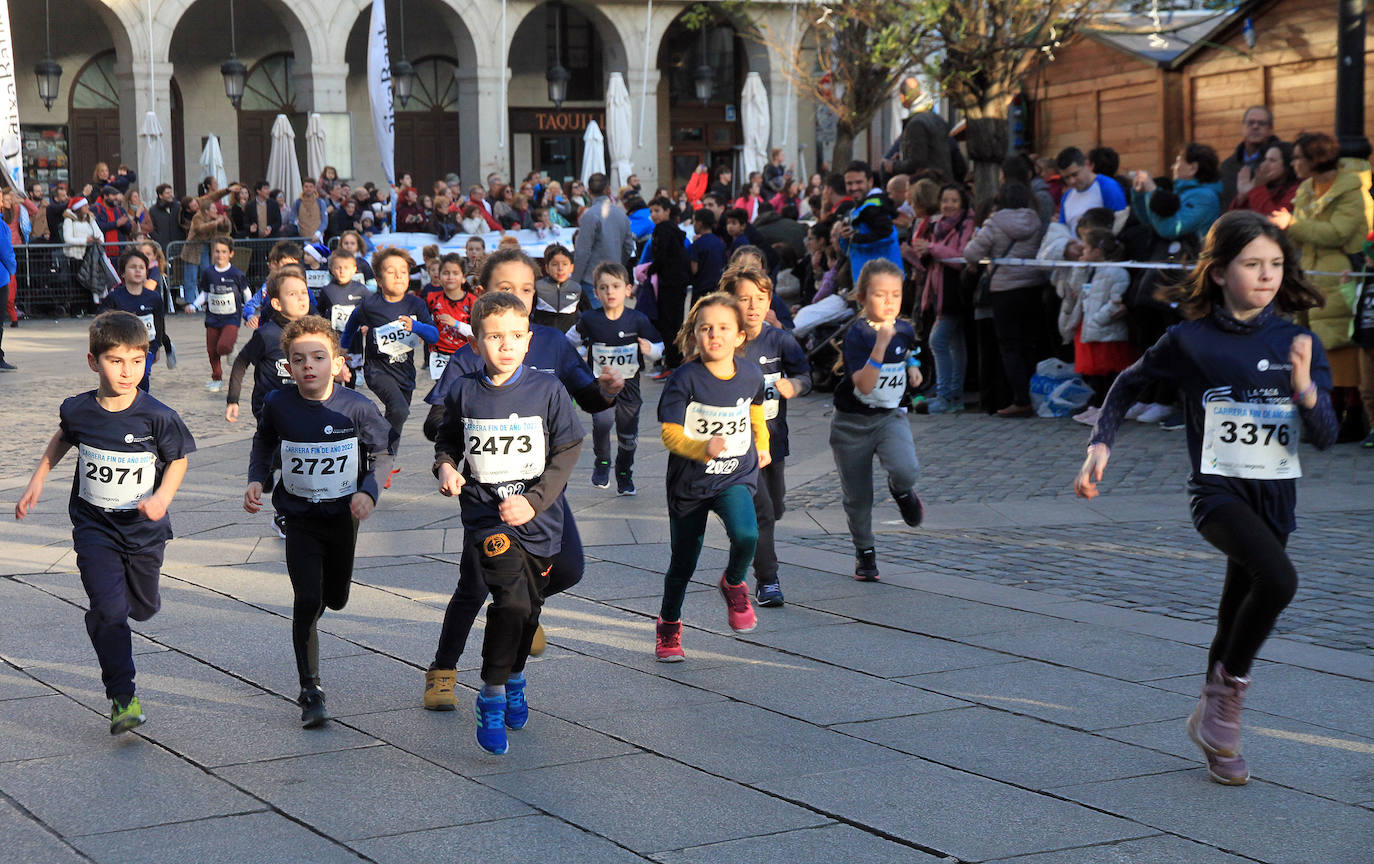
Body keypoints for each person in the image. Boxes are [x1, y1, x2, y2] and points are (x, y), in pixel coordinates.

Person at [1074, 210, 1336, 785]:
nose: (1267, 275)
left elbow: (1327, 437)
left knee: (1235, 607)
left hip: (1276, 501)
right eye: (1252, 264)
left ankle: (1214, 731)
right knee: (1280, 580)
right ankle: (1226, 709)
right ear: (1218, 272)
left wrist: (1307, 391)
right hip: (1216, 495)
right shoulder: (1189, 340)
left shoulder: (1297, 340)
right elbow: (1127, 384)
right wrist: (1101, 444)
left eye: (1276, 264)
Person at [421, 247, 621, 711]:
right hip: (488, 497)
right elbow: (439, 426)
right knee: (473, 586)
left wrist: (608, 392)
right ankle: (443, 669)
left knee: (568, 568)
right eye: (506, 289)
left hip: (541, 490)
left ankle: (521, 598)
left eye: (527, 289)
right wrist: (456, 440)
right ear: (482, 294)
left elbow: (586, 400)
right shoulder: (473, 354)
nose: (519, 296)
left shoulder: (549, 343)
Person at [14, 310, 194, 734]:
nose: (127, 370)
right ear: (94, 361)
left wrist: (162, 499)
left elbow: (179, 460)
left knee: (143, 609)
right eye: (116, 360)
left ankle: (109, 614)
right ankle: (123, 696)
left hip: (145, 532)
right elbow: (62, 437)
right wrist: (37, 481)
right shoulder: (79, 410)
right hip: (95, 527)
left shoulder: (158, 416)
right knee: (110, 610)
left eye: (136, 360)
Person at [433, 290, 584, 754]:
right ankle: (493, 694)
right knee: (511, 603)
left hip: (538, 520)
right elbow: (447, 440)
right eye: (494, 337)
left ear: (528, 339)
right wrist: (445, 466)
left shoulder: (547, 389)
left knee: (529, 606)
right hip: (486, 517)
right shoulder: (464, 390)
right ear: (475, 342)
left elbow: (568, 449)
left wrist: (535, 501)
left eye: (515, 336)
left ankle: (515, 673)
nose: (505, 345)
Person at [244, 314, 394, 727]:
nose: (309, 365)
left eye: (318, 357)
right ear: (288, 365)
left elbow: (383, 453)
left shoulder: (356, 406)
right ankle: (310, 688)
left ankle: (328, 599)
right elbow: (263, 440)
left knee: (336, 596)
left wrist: (369, 490)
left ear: (336, 361)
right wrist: (258, 478)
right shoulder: (279, 403)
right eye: (299, 359)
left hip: (344, 516)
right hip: (299, 517)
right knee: (307, 599)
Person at [654, 292, 769, 660]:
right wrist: (700, 446)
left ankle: (734, 582)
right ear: (695, 334)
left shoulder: (751, 374)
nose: (713, 335)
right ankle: (669, 626)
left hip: (734, 475)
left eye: (723, 328)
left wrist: (762, 444)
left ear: (740, 336)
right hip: (690, 481)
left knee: (747, 534)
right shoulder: (684, 378)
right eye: (705, 328)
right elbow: (668, 434)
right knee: (683, 561)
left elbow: (756, 412)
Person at [1271, 131, 1373, 435]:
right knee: (1316, 350)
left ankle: (1353, 416)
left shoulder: (1351, 190)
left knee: (1340, 349)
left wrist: (1294, 225)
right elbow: (1306, 233)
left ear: (1315, 158)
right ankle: (1327, 412)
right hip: (1311, 274)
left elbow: (1337, 233)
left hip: (1339, 276)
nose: (1294, 163)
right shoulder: (1305, 188)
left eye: (1298, 157)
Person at [830, 259, 925, 582]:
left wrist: (912, 364)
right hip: (851, 423)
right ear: (862, 298)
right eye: (879, 295)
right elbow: (865, 385)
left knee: (906, 468)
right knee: (858, 497)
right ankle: (865, 551)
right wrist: (881, 345)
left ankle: (901, 491)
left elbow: (909, 346)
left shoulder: (904, 327)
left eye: (895, 295)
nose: (889, 303)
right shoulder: (857, 334)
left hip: (889, 417)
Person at [722, 265, 810, 607]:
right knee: (761, 513)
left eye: (760, 298)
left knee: (775, 506)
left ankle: (753, 545)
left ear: (770, 300)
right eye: (744, 299)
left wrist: (796, 385)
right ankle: (767, 579)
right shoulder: (726, 340)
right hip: (740, 447)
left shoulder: (781, 340)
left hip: (774, 440)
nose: (753, 306)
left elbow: (805, 373)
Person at [340, 248, 439, 482]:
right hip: (377, 370)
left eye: (403, 271)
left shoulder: (415, 303)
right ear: (379, 280)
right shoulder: (370, 305)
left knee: (398, 416)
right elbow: (353, 321)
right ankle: (381, 458)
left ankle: (380, 459)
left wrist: (416, 327)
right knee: (400, 410)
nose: (399, 276)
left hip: (405, 372)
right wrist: (343, 349)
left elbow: (434, 335)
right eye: (391, 272)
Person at [574, 262, 662, 493]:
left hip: (629, 389)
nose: (610, 292)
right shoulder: (590, 319)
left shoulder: (638, 320)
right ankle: (602, 462)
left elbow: (660, 346)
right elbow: (569, 340)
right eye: (604, 287)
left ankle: (624, 472)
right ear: (596, 293)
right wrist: (578, 353)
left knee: (628, 436)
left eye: (615, 286)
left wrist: (650, 350)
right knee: (602, 424)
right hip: (600, 389)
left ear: (628, 289)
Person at [963, 182, 1047, 416]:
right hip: (1033, 285)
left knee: (1010, 346)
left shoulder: (995, 222)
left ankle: (1020, 400)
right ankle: (1035, 396)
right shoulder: (1036, 220)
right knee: (1029, 344)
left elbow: (971, 253)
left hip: (1005, 289)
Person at [225, 265, 312, 430]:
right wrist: (233, 399)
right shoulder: (267, 334)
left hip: (302, 404)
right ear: (277, 303)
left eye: (304, 292)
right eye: (292, 294)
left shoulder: (314, 332)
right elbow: (241, 362)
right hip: (270, 408)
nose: (301, 298)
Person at [1065, 229, 1134, 425]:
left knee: (1109, 373)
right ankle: (1099, 405)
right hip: (1092, 327)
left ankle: (1109, 408)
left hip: (1106, 329)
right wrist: (1079, 268)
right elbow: (1075, 290)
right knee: (1097, 374)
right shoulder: (1091, 269)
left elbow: (1115, 301)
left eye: (1085, 248)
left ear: (1097, 251)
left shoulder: (1117, 272)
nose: (1082, 253)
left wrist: (1097, 320)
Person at [917, 184, 975, 414]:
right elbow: (932, 257)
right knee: (954, 344)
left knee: (937, 341)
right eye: (945, 200)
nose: (948, 205)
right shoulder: (936, 226)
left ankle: (945, 395)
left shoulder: (966, 224)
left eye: (954, 200)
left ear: (962, 203)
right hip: (939, 291)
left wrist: (931, 248)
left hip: (955, 292)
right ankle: (953, 397)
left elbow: (959, 256)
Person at [184, 237, 251, 393]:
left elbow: (247, 293)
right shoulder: (208, 273)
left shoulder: (236, 274)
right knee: (212, 350)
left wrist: (249, 312)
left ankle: (230, 348)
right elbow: (205, 293)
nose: (220, 255)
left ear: (231, 254)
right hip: (212, 317)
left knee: (223, 346)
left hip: (231, 318)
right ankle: (216, 378)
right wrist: (194, 305)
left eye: (224, 252)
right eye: (217, 251)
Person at [99, 250, 167, 392]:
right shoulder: (114, 297)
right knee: (124, 378)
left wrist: (158, 347)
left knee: (142, 375)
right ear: (123, 273)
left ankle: (141, 402)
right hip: (121, 346)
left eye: (141, 267)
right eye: (133, 267)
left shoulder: (154, 298)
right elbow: (101, 321)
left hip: (146, 346)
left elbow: (159, 324)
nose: (138, 270)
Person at [1130, 144, 1224, 244]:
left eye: (1177, 162)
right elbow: (1150, 221)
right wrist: (1141, 194)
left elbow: (1170, 229)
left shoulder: (1205, 198)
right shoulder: (1181, 192)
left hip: (1192, 258)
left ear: (1193, 168)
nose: (1172, 167)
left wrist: (1153, 193)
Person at [571, 173, 636, 303]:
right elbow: (629, 247)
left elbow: (583, 251)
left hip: (592, 278)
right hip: (615, 276)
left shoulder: (589, 215)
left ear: (589, 191)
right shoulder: (621, 215)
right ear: (608, 189)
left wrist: (574, 281)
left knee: (595, 320)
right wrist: (618, 263)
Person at [836, 161, 903, 277]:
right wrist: (844, 237)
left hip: (883, 281)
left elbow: (887, 235)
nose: (854, 187)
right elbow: (849, 250)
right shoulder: (858, 208)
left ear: (870, 182)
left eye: (859, 182)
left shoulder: (875, 206)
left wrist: (855, 238)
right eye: (849, 183)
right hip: (866, 280)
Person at [317, 250, 370, 389]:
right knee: (333, 372)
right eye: (338, 267)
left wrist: (366, 324)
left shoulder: (361, 290)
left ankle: (350, 398)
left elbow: (370, 310)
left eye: (346, 267)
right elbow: (319, 312)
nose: (342, 271)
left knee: (350, 374)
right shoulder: (327, 290)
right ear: (331, 269)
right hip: (334, 338)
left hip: (354, 339)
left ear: (354, 269)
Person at [425, 252, 477, 385]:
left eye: (455, 273)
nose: (450, 277)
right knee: (443, 394)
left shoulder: (473, 301)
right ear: (440, 276)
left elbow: (478, 333)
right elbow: (422, 319)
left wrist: (456, 324)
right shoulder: (431, 298)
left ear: (463, 278)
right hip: (439, 355)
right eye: (446, 273)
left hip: (464, 355)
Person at [1056, 147, 1128, 234]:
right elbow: (1061, 230)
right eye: (1066, 178)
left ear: (1087, 165)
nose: (1072, 181)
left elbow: (1121, 221)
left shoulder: (1108, 187)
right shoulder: (1067, 196)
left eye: (1075, 174)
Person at [1220, 106, 1280, 209]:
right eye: (1250, 123)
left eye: (1261, 123)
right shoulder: (1227, 166)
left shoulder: (1281, 162)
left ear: (1270, 129)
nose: (1255, 126)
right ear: (1243, 127)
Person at [1230, 142, 1299, 216]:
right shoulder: (1263, 186)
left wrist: (1258, 189)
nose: (1264, 165)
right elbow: (1235, 221)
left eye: (1272, 160)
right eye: (1265, 160)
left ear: (1287, 165)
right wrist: (1242, 197)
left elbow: (1272, 219)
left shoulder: (1297, 190)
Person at [532, 244, 582, 333]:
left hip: (568, 339)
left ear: (571, 268)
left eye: (565, 264)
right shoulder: (538, 287)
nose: (560, 268)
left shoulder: (577, 289)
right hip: (543, 336)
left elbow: (587, 314)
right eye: (555, 264)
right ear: (547, 268)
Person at [689, 209, 727, 304]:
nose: (693, 224)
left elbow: (694, 269)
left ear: (699, 223)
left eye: (694, 221)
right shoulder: (719, 243)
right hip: (717, 289)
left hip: (701, 290)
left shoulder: (697, 244)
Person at [292, 178, 329, 243]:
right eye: (306, 186)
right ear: (303, 188)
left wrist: (318, 233)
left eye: (311, 187)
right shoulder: (297, 203)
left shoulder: (320, 202)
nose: (308, 189)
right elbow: (292, 219)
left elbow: (325, 221)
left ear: (314, 188)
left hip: (317, 239)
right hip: (302, 239)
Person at [148, 184, 182, 252]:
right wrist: (158, 239)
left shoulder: (178, 207)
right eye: (167, 193)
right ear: (160, 196)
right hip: (163, 246)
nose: (170, 195)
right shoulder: (153, 210)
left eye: (171, 192)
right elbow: (151, 227)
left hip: (178, 244)